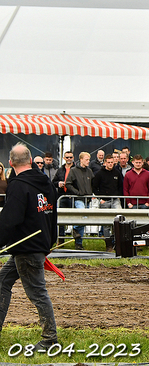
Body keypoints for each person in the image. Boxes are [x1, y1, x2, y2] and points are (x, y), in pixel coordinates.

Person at [0, 143, 58, 350]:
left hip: (26, 248)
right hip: (32, 246)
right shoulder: (46, 182)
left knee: (37, 292)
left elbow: (9, 219)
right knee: (2, 282)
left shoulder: (17, 185)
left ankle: (50, 339)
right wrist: (49, 242)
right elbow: (53, 215)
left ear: (10, 163)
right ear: (31, 160)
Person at [92, 155, 123, 251]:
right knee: (106, 224)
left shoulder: (117, 173)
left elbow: (121, 186)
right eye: (108, 162)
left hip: (115, 200)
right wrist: (100, 198)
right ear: (105, 163)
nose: (110, 164)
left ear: (114, 162)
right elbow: (94, 187)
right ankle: (108, 245)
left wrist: (119, 196)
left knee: (119, 221)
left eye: (111, 162)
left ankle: (117, 243)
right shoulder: (99, 174)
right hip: (104, 200)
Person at [65, 152, 94, 249]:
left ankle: (78, 242)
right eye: (86, 159)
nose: (88, 161)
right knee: (83, 217)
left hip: (87, 198)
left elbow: (93, 183)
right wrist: (77, 192)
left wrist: (92, 193)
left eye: (89, 159)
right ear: (81, 160)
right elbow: (68, 183)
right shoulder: (73, 170)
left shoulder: (89, 171)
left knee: (83, 219)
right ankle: (75, 230)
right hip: (78, 198)